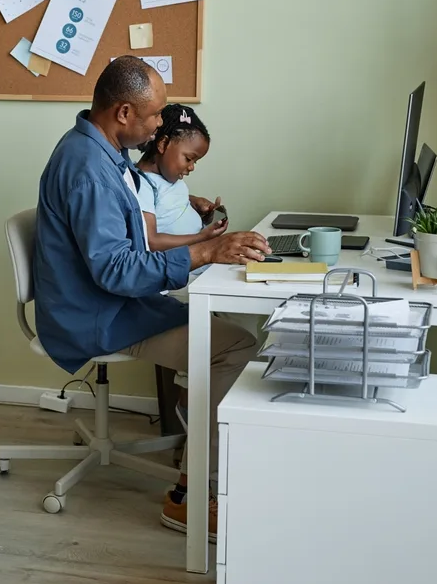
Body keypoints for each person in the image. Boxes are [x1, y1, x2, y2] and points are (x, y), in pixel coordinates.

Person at [34, 55, 271, 541]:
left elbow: (134, 230)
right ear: (124, 113)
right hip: (95, 316)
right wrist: (205, 251)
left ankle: (201, 452)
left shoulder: (101, 151)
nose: (161, 123)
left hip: (114, 303)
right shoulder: (88, 170)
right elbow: (116, 269)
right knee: (235, 347)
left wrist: (193, 218)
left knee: (224, 331)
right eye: (154, 114)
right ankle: (188, 495)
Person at [135, 103, 227, 254]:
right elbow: (151, 241)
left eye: (194, 162)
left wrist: (195, 205)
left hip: (200, 259)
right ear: (163, 144)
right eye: (189, 159)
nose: (192, 167)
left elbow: (167, 206)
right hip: (184, 270)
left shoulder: (168, 178)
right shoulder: (142, 185)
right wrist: (200, 237)